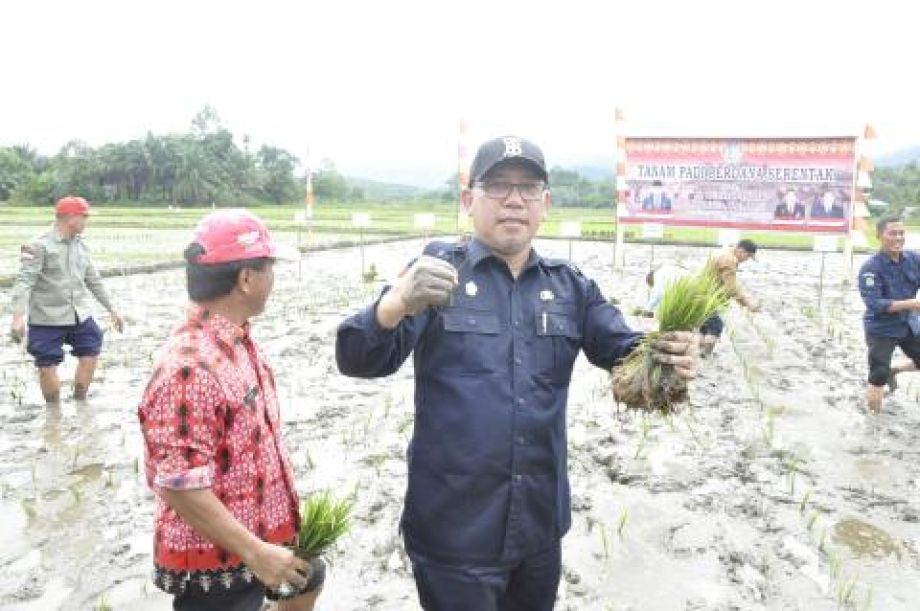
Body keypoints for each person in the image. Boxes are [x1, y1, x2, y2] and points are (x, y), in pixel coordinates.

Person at [336, 136, 698, 610]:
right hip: (454, 534)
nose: (514, 199)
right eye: (498, 186)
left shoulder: (570, 287)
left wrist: (671, 351)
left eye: (529, 188)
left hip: (537, 530)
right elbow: (359, 358)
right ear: (469, 201)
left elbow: (625, 349)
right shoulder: (436, 274)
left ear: (545, 203)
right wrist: (395, 303)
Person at [137, 209, 322, 611]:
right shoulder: (191, 367)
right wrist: (256, 553)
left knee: (312, 576)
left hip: (257, 540)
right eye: (269, 267)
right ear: (246, 279)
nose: (273, 279)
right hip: (218, 564)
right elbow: (179, 485)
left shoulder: (235, 343)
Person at [8, 196, 124, 403]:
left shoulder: (81, 246)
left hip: (79, 316)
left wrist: (113, 309)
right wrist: (18, 317)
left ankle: (80, 401)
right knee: (46, 365)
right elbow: (24, 282)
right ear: (71, 218)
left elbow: (94, 280)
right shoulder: (38, 246)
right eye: (84, 217)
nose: (87, 221)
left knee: (91, 350)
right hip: (47, 318)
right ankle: (54, 413)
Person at [857, 215, 920, 412]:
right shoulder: (870, 268)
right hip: (882, 328)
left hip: (909, 323)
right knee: (878, 374)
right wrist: (912, 303)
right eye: (892, 233)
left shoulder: (913, 259)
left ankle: (895, 370)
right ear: (879, 236)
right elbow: (875, 304)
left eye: (901, 233)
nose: (898, 238)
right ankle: (874, 423)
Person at [699, 239, 760, 356]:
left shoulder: (725, 254)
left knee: (704, 328)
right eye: (747, 257)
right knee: (714, 328)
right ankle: (705, 356)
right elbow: (731, 288)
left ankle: (698, 354)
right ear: (740, 251)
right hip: (711, 298)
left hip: (704, 296)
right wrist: (747, 304)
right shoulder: (729, 260)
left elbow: (731, 284)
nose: (746, 260)